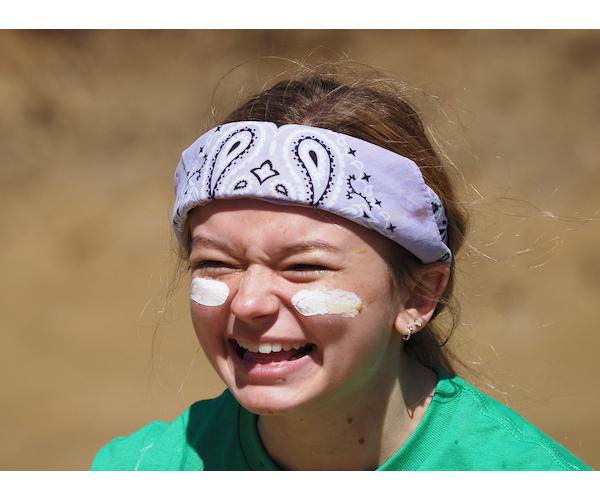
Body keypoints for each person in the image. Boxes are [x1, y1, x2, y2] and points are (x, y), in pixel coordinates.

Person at [91, 73, 591, 471]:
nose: (248, 302)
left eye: (304, 266)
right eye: (216, 264)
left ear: (418, 295)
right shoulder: (139, 472)